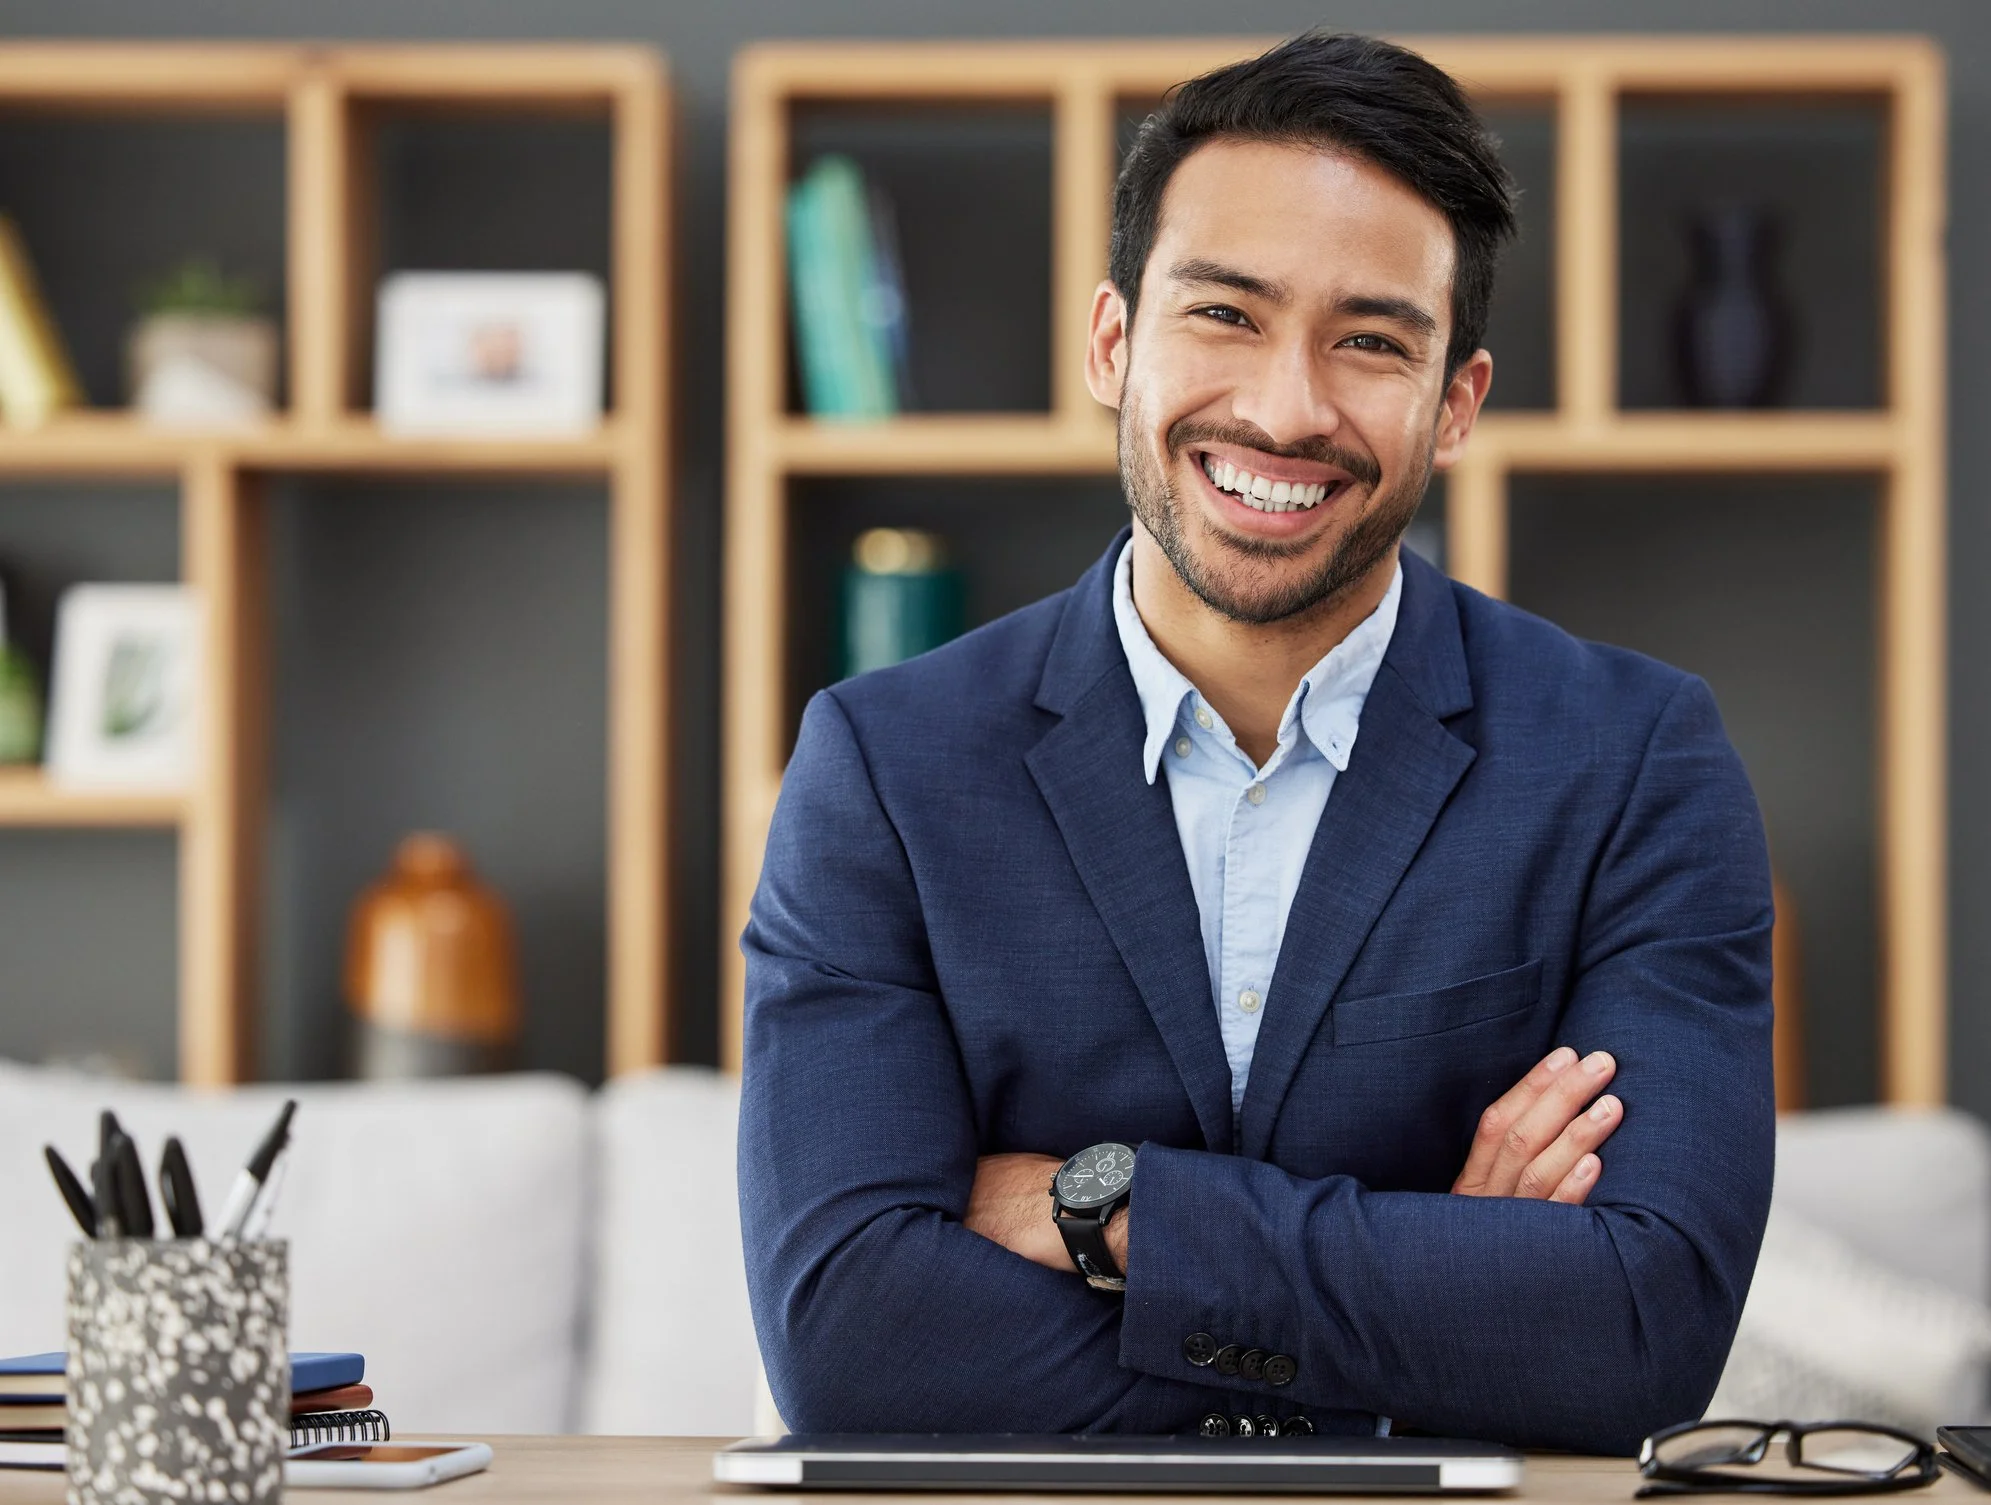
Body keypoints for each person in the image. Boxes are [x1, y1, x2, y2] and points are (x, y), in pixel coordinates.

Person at [738, 30, 1773, 1455]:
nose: (1286, 409)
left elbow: (1641, 1336)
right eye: (1224, 315)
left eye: (1368, 340)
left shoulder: (1634, 762)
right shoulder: (883, 768)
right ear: (1113, 342)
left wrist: (1106, 1210)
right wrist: (1437, 1296)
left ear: (1453, 402)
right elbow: (851, 1342)